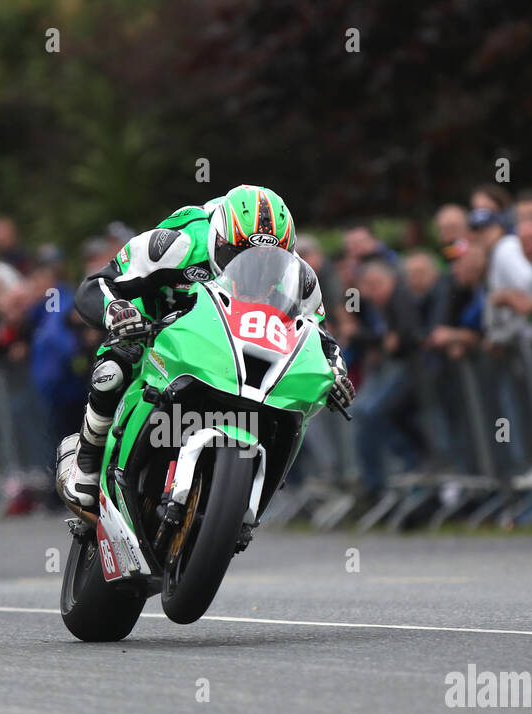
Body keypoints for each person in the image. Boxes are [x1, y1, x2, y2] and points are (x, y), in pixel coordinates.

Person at [58, 184, 354, 510]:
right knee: (114, 369)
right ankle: (87, 457)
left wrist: (336, 372)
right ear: (218, 238)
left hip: (234, 338)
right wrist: (117, 312)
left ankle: (253, 485)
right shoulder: (177, 242)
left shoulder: (301, 278)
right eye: (240, 255)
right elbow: (98, 283)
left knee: (291, 404)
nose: (254, 268)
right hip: (156, 317)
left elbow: (318, 336)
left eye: (268, 261)